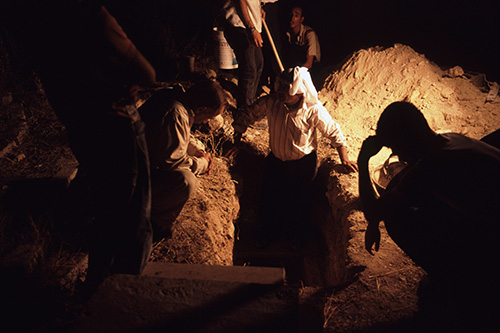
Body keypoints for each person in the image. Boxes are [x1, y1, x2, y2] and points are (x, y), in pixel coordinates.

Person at [15, 0, 157, 292]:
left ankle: (95, 287)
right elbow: (148, 74)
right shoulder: (95, 18)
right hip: (118, 129)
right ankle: (125, 293)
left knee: (107, 212)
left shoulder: (44, 28)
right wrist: (125, 81)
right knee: (134, 217)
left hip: (83, 131)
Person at [358, 101, 500, 318]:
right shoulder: (448, 141)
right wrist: (375, 220)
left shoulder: (433, 166)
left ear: (406, 140)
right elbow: (401, 183)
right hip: (487, 217)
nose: (399, 155)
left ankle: (460, 283)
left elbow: (375, 209)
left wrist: (362, 160)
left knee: (398, 219)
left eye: (395, 148)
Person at [228, 67, 357, 249]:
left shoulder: (313, 111)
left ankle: (297, 240)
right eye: (279, 88)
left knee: (299, 204)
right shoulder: (272, 103)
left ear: (299, 92)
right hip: (276, 161)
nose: (280, 94)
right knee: (269, 201)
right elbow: (247, 114)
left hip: (303, 166)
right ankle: (268, 236)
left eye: (286, 91)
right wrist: (236, 140)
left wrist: (344, 158)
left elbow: (334, 132)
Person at [139, 80, 226, 239]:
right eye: (208, 116)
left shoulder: (176, 98)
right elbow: (172, 161)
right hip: (132, 175)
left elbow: (178, 133)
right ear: (201, 109)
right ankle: (151, 221)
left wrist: (198, 151)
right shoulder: (176, 112)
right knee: (186, 181)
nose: (206, 121)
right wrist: (202, 164)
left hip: (137, 164)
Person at [222, 0, 265, 112]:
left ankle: (250, 105)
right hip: (240, 24)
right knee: (249, 69)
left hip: (248, 25)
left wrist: (257, 8)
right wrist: (252, 28)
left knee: (258, 64)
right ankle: (244, 111)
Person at [283, 4, 321, 71]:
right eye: (291, 14)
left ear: (301, 19)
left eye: (296, 16)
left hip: (312, 68)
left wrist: (295, 73)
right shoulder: (287, 34)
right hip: (297, 65)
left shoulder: (309, 34)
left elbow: (309, 63)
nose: (292, 18)